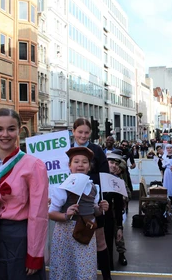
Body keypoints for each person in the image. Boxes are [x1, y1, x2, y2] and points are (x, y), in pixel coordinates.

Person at [0, 108, 48, 280]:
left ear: (19, 131)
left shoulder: (34, 165)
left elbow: (38, 214)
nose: (5, 134)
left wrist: (34, 254)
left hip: (20, 237)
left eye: (11, 129)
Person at [49, 147, 109, 280]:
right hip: (66, 235)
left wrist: (101, 208)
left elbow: (94, 211)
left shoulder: (94, 187)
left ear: (89, 166)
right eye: (76, 161)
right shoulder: (62, 187)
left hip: (86, 234)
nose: (80, 165)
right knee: (64, 271)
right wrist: (65, 215)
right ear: (69, 166)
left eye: (84, 162)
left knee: (85, 272)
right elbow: (51, 213)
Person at [70, 118, 112, 280]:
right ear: (73, 131)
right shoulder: (66, 150)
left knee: (100, 242)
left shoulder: (97, 151)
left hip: (93, 203)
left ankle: (106, 277)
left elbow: (105, 177)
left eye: (86, 132)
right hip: (71, 203)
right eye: (80, 132)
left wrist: (102, 201)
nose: (83, 135)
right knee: (73, 242)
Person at [104, 150, 128, 269]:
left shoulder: (118, 180)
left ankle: (120, 254)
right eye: (111, 163)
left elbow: (119, 205)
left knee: (116, 237)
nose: (114, 166)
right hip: (98, 216)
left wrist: (119, 226)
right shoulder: (98, 176)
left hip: (113, 214)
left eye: (116, 164)